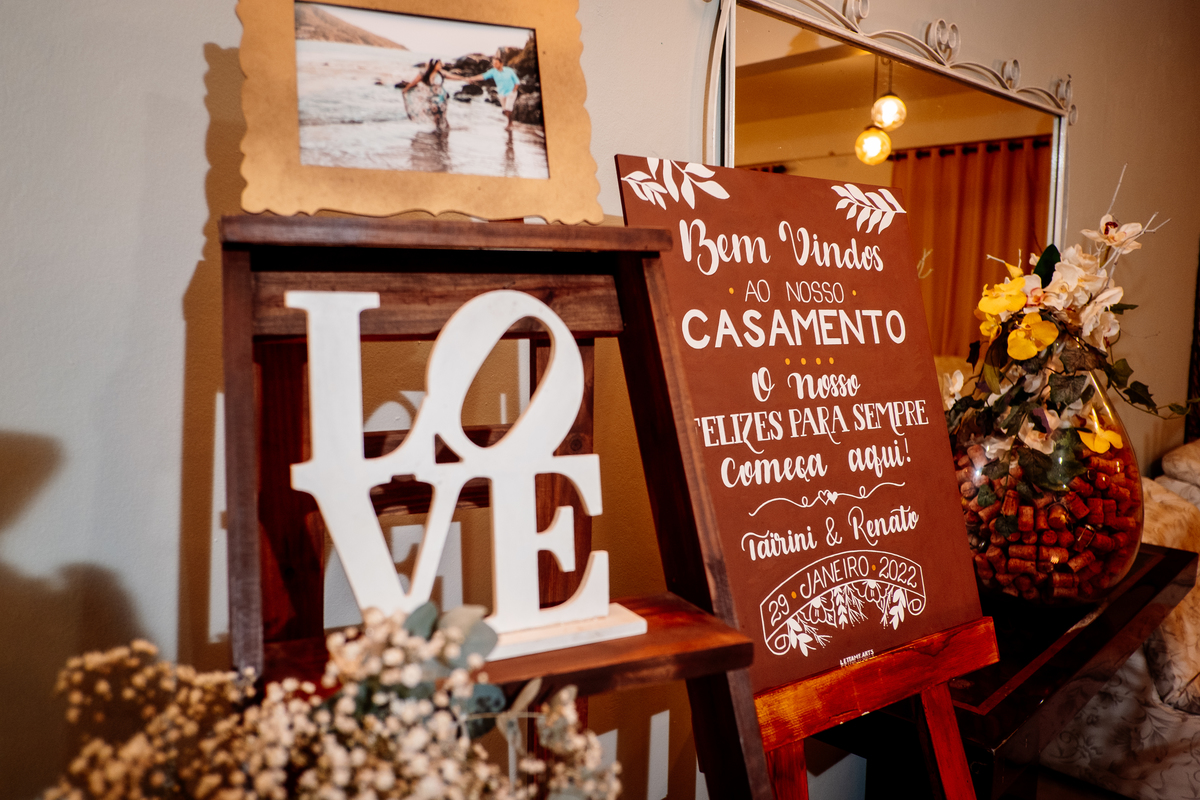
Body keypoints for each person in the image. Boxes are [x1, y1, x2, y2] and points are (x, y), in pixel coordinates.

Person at [464, 54, 520, 130]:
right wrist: (472, 78)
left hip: (511, 92)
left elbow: (517, 81)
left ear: (501, 64)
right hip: (501, 93)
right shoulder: (493, 72)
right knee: (504, 110)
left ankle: (509, 124)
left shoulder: (509, 71)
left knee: (508, 108)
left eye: (496, 63)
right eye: (493, 63)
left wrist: (513, 91)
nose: (494, 65)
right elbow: (483, 76)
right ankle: (510, 122)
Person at [398, 58, 447, 127]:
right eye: (439, 64)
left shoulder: (441, 74)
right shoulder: (425, 74)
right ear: (434, 65)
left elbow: (452, 76)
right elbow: (414, 82)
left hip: (441, 98)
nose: (441, 65)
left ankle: (445, 129)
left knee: (442, 115)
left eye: (440, 64)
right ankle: (438, 129)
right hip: (432, 98)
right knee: (436, 114)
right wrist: (406, 89)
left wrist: (464, 79)